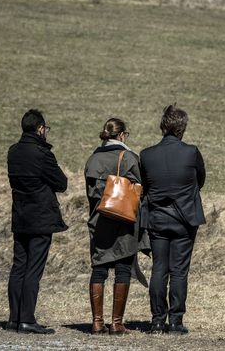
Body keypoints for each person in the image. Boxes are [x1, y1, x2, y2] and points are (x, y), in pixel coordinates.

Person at [140, 104, 206, 335]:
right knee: (179, 271)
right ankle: (176, 321)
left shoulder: (146, 155)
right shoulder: (191, 152)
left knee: (159, 269)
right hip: (184, 219)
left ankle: (157, 320)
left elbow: (145, 187)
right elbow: (201, 180)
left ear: (162, 127)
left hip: (157, 219)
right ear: (182, 128)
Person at [6, 109, 68, 334]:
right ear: (40, 129)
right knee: (34, 269)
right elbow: (61, 183)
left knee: (18, 267)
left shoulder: (13, 151)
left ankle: (14, 319)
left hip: (20, 215)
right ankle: (27, 319)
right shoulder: (42, 154)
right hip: (41, 217)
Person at [83, 118, 144, 335]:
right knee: (123, 269)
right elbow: (139, 191)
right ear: (122, 135)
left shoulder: (92, 159)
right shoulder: (128, 157)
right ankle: (116, 323)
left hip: (99, 221)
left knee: (99, 269)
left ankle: (97, 322)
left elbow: (89, 194)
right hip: (124, 221)